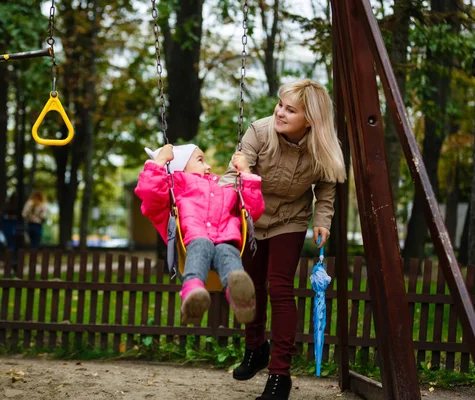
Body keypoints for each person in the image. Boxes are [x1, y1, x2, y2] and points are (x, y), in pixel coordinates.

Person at [220, 79, 346, 400]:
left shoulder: (323, 146)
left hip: (290, 218)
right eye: (280, 105)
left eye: (290, 110)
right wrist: (217, 200)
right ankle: (255, 348)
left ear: (310, 120)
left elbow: (327, 184)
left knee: (279, 287)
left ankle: (280, 374)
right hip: (253, 215)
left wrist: (322, 220)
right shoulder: (260, 132)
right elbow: (236, 170)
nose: (280, 112)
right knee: (249, 284)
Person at [135, 143, 265, 325]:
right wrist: (160, 161)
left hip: (226, 240)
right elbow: (149, 193)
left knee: (228, 252)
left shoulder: (225, 190)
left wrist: (246, 172)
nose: (208, 166)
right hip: (193, 241)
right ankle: (193, 292)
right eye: (200, 160)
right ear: (181, 168)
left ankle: (239, 296)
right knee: (202, 244)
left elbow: (253, 210)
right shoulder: (174, 190)